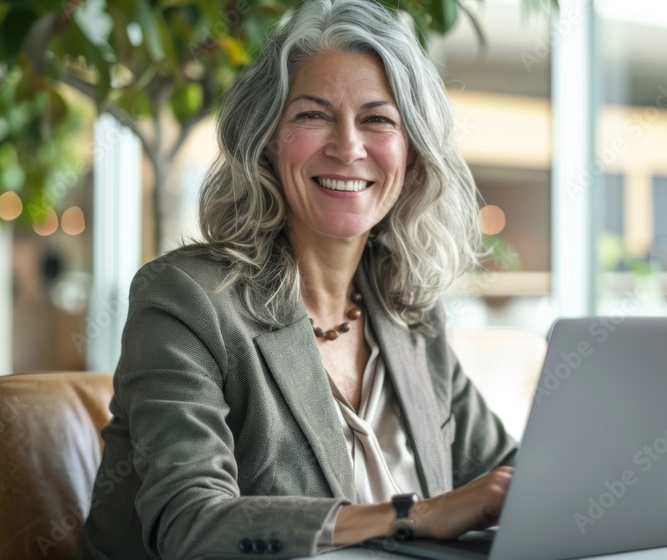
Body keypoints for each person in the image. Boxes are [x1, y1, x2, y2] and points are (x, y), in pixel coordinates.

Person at [80, 0, 516, 557]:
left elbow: (508, 474)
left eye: (378, 119)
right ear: (265, 139)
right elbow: (188, 525)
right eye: (312, 115)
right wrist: (413, 515)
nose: (348, 146)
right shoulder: (186, 301)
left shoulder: (410, 313)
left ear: (412, 155)